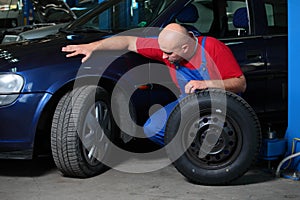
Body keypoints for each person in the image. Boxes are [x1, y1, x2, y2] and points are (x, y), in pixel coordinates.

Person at [62, 23, 246, 146]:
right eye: (162, 52)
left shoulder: (213, 47)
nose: (163, 57)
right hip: (189, 101)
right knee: (153, 128)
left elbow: (240, 84)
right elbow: (128, 41)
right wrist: (92, 46)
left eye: (168, 54)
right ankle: (190, 152)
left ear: (185, 47)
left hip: (221, 102)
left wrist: (206, 84)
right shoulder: (168, 47)